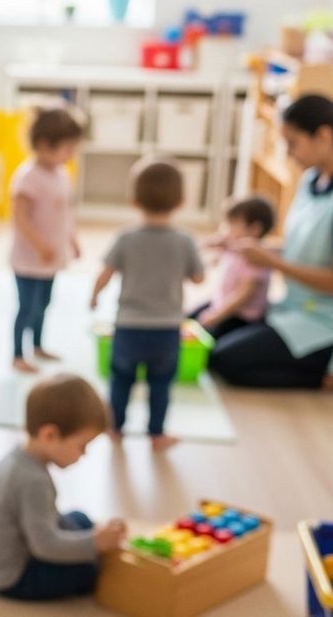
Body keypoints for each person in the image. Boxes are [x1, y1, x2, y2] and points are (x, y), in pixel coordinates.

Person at [210, 95, 333, 389]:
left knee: (226, 360)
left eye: (292, 144)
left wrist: (271, 262)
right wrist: (246, 248)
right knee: (213, 329)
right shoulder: (312, 180)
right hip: (302, 309)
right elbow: (306, 249)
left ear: (324, 136)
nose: (288, 154)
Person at [0, 373, 126, 601]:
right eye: (82, 445)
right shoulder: (32, 481)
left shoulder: (23, 459)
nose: (84, 454)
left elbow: (47, 519)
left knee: (80, 519)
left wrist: (90, 537)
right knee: (87, 571)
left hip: (16, 548)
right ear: (50, 435)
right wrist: (94, 542)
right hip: (11, 575)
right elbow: (44, 545)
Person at [91, 158, 204, 450]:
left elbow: (105, 273)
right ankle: (157, 434)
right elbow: (199, 278)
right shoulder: (185, 241)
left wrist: (94, 295)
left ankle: (115, 428)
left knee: (121, 380)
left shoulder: (126, 238)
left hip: (128, 326)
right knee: (160, 384)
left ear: (134, 200)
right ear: (181, 201)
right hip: (166, 329)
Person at [9, 106, 84, 373]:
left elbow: (65, 213)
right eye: (67, 148)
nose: (72, 155)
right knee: (26, 306)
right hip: (29, 259)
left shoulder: (62, 174)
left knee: (44, 304)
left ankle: (38, 345)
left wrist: (72, 240)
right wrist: (40, 245)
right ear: (44, 145)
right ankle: (18, 354)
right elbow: (20, 217)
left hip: (52, 257)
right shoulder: (28, 177)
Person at [189, 196, 276, 340]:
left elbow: (243, 295)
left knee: (204, 337)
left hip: (240, 316)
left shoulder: (257, 259)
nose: (224, 229)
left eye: (231, 224)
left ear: (254, 229)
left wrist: (217, 315)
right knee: (189, 320)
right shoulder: (234, 248)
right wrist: (211, 244)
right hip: (220, 303)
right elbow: (207, 249)